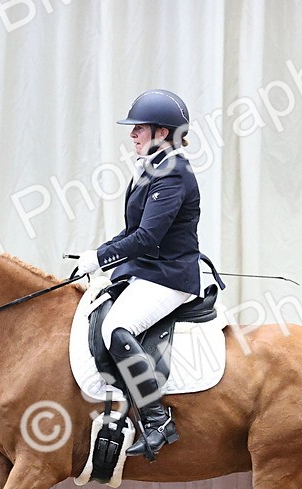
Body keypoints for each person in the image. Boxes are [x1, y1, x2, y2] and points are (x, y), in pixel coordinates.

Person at [76, 89, 222, 459]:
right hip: (148, 270)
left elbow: (147, 237)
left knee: (115, 329)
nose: (132, 135)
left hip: (169, 278)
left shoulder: (173, 174)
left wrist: (103, 257)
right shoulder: (153, 168)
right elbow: (131, 232)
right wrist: (97, 255)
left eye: (139, 128)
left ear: (162, 132)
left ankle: (157, 421)